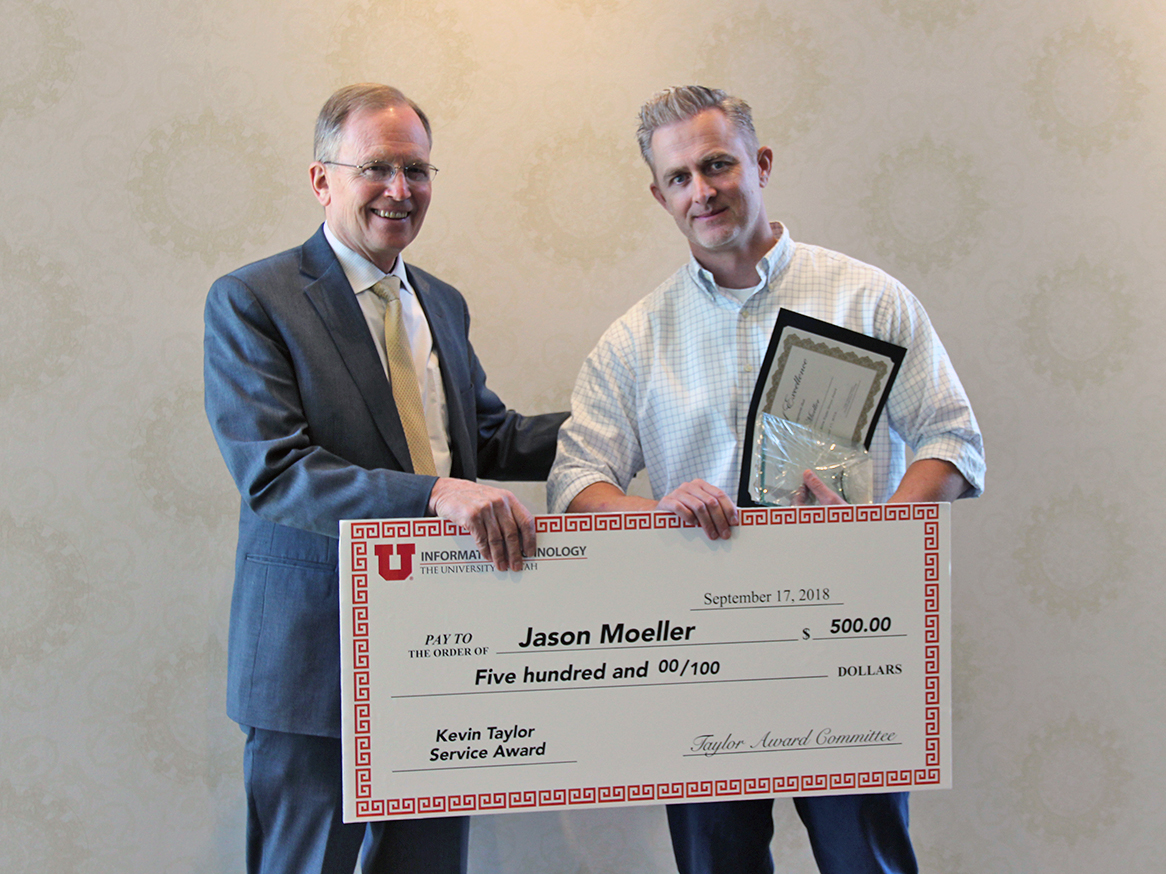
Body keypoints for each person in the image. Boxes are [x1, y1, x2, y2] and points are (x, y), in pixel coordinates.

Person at [547, 85, 985, 874]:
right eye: (679, 177)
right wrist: (651, 512)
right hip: (700, 656)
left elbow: (953, 440)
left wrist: (877, 528)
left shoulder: (868, 298)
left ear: (761, 164)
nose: (702, 190)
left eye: (718, 164)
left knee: (868, 864)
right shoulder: (634, 339)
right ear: (659, 194)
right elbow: (576, 479)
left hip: (847, 642)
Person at [204, 83, 568, 874]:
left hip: (442, 653)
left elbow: (484, 439)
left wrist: (622, 428)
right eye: (377, 168)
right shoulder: (252, 301)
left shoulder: (441, 302)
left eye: (418, 169)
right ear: (321, 179)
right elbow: (278, 474)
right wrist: (435, 495)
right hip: (313, 666)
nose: (400, 191)